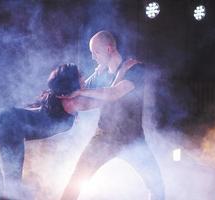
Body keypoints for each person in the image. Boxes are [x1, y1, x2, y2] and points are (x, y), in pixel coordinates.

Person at [60, 31, 165, 200]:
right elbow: (83, 99)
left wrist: (81, 90)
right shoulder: (101, 74)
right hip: (104, 138)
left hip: (132, 138)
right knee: (75, 183)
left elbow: (114, 93)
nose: (93, 57)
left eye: (96, 52)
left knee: (157, 188)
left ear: (109, 49)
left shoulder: (134, 68)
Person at [0, 63, 102, 200]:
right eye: (80, 76)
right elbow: (108, 98)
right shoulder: (71, 101)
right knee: (12, 182)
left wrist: (99, 71)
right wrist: (121, 73)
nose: (84, 78)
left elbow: (87, 85)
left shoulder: (58, 95)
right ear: (72, 82)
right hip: (8, 123)